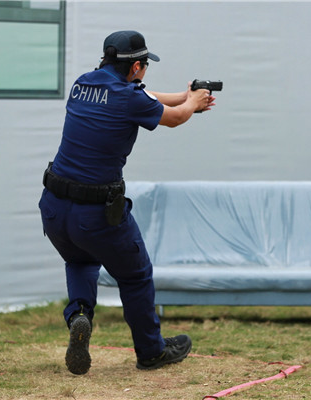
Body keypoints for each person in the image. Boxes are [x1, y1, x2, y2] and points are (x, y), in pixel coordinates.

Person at [38, 30, 215, 375]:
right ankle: (151, 352)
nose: (145, 72)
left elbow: (143, 96)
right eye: (145, 65)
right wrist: (192, 104)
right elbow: (173, 117)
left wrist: (185, 95)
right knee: (135, 276)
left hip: (55, 208)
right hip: (96, 211)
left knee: (80, 262)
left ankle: (78, 315)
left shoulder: (82, 83)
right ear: (135, 66)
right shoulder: (128, 97)